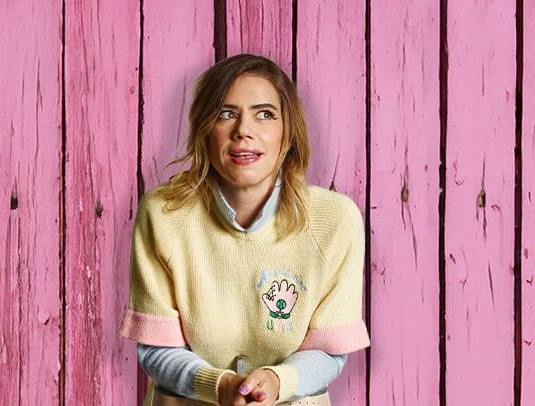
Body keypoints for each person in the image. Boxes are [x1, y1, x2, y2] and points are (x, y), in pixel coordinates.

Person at [119, 54, 370, 405]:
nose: (243, 130)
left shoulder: (336, 221)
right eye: (226, 113)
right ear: (205, 131)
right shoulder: (162, 215)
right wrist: (220, 386)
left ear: (288, 135)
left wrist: (276, 382)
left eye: (265, 114)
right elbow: (157, 350)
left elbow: (328, 351)